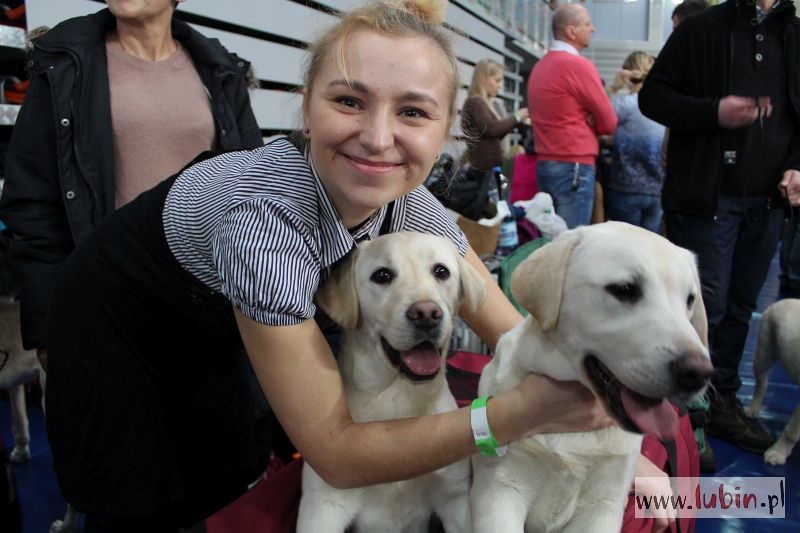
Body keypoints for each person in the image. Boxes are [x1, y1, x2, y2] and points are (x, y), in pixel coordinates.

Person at [28, 1, 618, 529]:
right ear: (307, 109)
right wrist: (507, 417)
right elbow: (335, 454)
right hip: (115, 334)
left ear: (447, 133)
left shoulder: (410, 203)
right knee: (143, 497)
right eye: (348, 101)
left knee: (234, 470)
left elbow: (512, 335)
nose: (378, 137)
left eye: (413, 113)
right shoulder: (263, 225)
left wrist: (616, 447)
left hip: (210, 326)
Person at [0, 0, 263, 360]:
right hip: (108, 304)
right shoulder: (66, 62)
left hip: (207, 309)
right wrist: (49, 328)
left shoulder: (219, 70)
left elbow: (251, 189)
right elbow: (33, 201)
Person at [639, 0, 800, 454]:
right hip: (707, 200)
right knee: (698, 310)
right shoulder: (700, 30)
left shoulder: (794, 36)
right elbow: (653, 97)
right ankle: (686, 420)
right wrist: (714, 112)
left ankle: (721, 405)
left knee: (739, 309)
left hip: (769, 201)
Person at [526, 3, 616, 229]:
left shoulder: (540, 66)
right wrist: (590, 120)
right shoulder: (578, 66)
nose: (592, 29)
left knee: (551, 240)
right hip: (574, 165)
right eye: (587, 24)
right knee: (572, 243)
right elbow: (609, 123)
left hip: (546, 163)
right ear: (571, 31)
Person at [604, 51, 664, 233]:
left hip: (624, 188)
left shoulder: (624, 105)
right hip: (657, 190)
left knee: (624, 246)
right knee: (649, 249)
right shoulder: (662, 105)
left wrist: (613, 88)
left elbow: (598, 120)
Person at [459, 59, 529, 207]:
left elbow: (496, 134)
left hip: (489, 169)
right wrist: (516, 117)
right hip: (483, 171)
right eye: (497, 80)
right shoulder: (475, 102)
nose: (500, 85)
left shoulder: (484, 103)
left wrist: (516, 122)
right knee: (490, 210)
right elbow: (492, 130)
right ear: (483, 78)